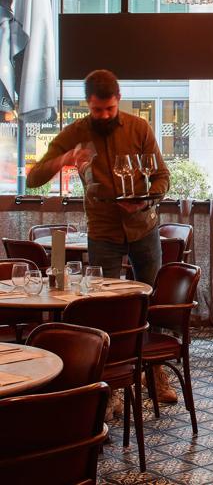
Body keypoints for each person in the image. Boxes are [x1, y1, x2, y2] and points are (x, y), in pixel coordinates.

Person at [27, 69, 177, 404]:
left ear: (118, 100)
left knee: (149, 303)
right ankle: (113, 388)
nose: (105, 115)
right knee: (104, 310)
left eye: (109, 109)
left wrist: (147, 197)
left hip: (143, 226)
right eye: (98, 110)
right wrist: (65, 159)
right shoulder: (77, 132)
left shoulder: (139, 128)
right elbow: (33, 178)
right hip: (103, 232)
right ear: (88, 105)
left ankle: (155, 374)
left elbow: (163, 176)